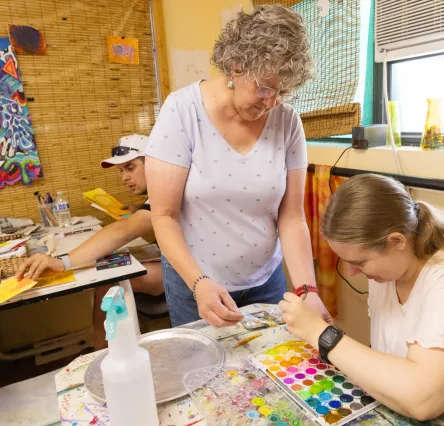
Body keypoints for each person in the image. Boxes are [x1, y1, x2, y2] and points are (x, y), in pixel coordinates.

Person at [280, 173, 444, 425]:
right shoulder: (390, 272)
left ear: (397, 241)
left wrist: (322, 335)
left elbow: (423, 400)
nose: (352, 272)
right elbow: (393, 364)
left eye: (359, 262)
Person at [144, 4, 331, 328]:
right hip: (195, 283)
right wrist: (199, 283)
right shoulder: (182, 111)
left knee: (272, 371)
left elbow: (291, 217)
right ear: (235, 66)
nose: (272, 101)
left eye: (283, 91)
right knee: (204, 374)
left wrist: (307, 289)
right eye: (264, 87)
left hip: (265, 281)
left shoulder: (287, 122)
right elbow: (164, 216)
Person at [16, 134, 164, 348]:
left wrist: (62, 262)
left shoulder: (165, 194)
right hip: (174, 264)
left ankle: (100, 354)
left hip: (185, 274)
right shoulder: (155, 196)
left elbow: (122, 230)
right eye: (121, 171)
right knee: (105, 272)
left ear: (153, 163)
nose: (124, 178)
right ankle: (103, 349)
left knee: (109, 281)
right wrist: (137, 210)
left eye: (130, 168)